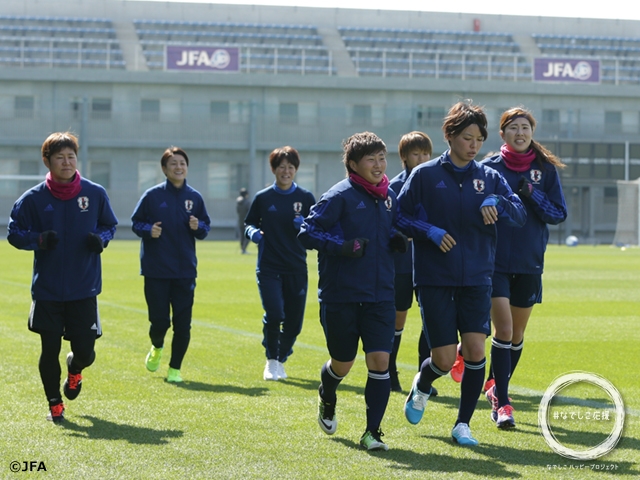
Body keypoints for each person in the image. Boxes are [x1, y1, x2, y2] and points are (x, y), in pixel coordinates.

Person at [396, 101, 526, 446]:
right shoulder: (424, 176)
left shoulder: (490, 177)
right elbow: (399, 217)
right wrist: (429, 231)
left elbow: (519, 214)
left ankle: (462, 424)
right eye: (467, 137)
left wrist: (498, 203)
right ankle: (423, 384)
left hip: (478, 276)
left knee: (474, 350)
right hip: (434, 277)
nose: (474, 145)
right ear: (449, 136)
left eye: (479, 139)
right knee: (441, 357)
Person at [299, 132, 408, 451]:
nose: (378, 165)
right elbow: (306, 234)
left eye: (381, 158)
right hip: (341, 296)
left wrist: (396, 238)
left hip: (381, 296)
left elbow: (392, 226)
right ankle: (327, 393)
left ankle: (372, 432)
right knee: (342, 363)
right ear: (353, 164)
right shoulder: (338, 196)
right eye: (370, 159)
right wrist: (342, 247)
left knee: (380, 361)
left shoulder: (389, 196)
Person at [7, 132, 118, 423]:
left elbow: (110, 225)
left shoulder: (94, 193)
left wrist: (101, 239)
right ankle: (54, 404)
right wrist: (39, 239)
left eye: (71, 156)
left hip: (84, 287)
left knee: (85, 352)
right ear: (47, 161)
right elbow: (14, 233)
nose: (67, 162)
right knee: (49, 348)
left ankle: (75, 369)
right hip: (47, 290)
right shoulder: (33, 199)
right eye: (60, 157)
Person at [479, 107, 567, 429]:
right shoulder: (488, 169)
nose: (520, 133)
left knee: (516, 335)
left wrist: (532, 195)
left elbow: (558, 213)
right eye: (513, 128)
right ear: (502, 134)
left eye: (525, 127)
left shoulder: (545, 170)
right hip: (495, 262)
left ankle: (492, 385)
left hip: (529, 262)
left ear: (532, 132)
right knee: (503, 331)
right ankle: (503, 404)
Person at [132, 146, 210, 383]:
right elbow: (136, 223)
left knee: (183, 324)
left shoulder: (194, 197)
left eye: (182, 163)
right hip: (156, 270)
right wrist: (148, 230)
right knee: (159, 321)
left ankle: (175, 369)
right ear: (164, 169)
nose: (179, 167)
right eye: (173, 164)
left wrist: (199, 227)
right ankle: (157, 346)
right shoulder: (152, 196)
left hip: (185, 270)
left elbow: (205, 228)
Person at [244, 146, 316, 381]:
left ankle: (281, 357)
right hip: (269, 266)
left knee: (294, 324)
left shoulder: (305, 198)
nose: (286, 171)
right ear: (274, 169)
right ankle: (272, 360)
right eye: (281, 167)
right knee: (275, 313)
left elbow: (317, 229)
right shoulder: (263, 198)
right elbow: (249, 224)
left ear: (296, 170)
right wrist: (253, 233)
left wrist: (305, 225)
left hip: (296, 266)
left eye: (290, 167)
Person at [388, 131, 435, 393]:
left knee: (431, 319)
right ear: (404, 157)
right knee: (398, 320)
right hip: (402, 265)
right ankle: (390, 372)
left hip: (431, 262)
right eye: (415, 154)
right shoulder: (394, 187)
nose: (421, 158)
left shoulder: (436, 182)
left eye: (426, 153)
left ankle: (423, 376)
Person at [236, 188, 251, 254]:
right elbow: (250, 212)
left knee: (242, 236)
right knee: (248, 236)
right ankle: (244, 249)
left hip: (240, 221)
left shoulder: (238, 202)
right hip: (246, 222)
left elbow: (237, 211)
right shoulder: (247, 202)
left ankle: (242, 249)